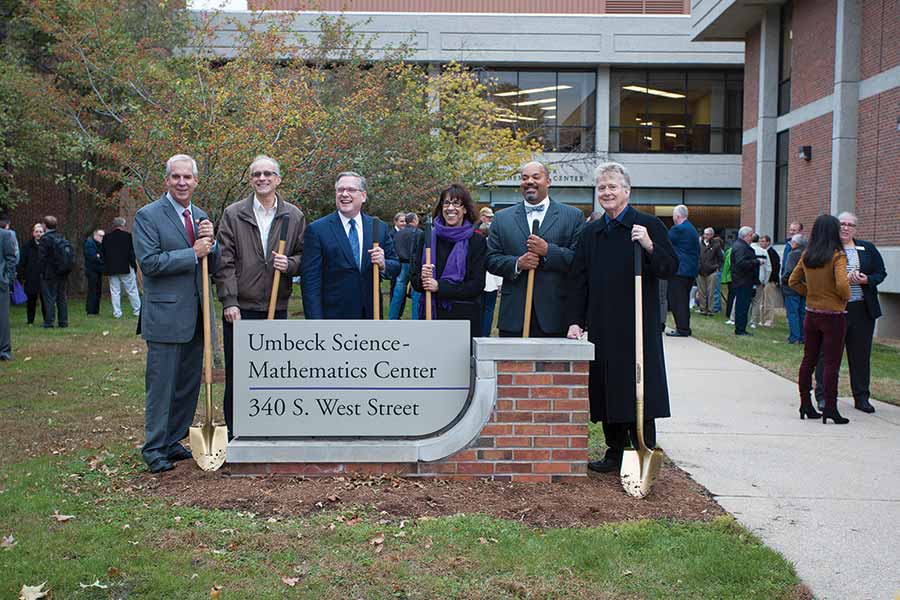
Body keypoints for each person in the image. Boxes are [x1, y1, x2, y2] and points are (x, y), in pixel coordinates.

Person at [566, 161, 677, 473]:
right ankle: (615, 450)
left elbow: (671, 268)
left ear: (627, 191)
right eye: (601, 187)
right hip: (602, 322)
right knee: (606, 384)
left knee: (640, 382)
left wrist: (649, 245)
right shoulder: (592, 233)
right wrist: (576, 320)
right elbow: (579, 280)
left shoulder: (648, 225)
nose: (607, 192)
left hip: (638, 323)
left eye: (612, 186)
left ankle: (644, 445)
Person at [133, 154, 220, 473]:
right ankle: (154, 447)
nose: (182, 182)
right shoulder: (148, 216)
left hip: (197, 316)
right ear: (166, 180)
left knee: (186, 384)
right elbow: (150, 263)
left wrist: (212, 242)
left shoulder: (200, 215)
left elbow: (212, 259)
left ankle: (173, 440)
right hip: (166, 317)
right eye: (176, 177)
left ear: (196, 181)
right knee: (162, 385)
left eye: (188, 177)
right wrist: (193, 252)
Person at [215, 155, 305, 440]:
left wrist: (289, 265)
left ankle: (269, 430)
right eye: (257, 174)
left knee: (273, 373)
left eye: (268, 174)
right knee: (238, 373)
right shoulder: (233, 214)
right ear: (251, 179)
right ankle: (236, 432)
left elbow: (304, 256)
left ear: (278, 179)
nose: (262, 178)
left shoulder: (294, 216)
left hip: (275, 307)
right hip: (240, 308)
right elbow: (224, 261)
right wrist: (229, 301)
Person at [485, 161, 584, 337]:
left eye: (536, 177)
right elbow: (491, 259)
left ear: (548, 181)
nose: (529, 181)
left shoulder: (572, 216)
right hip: (514, 316)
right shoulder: (502, 218)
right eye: (524, 178)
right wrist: (517, 263)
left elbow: (579, 260)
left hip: (555, 316)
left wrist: (548, 251)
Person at [813, 212, 887, 414]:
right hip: (834, 310)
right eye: (842, 224)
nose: (845, 228)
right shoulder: (827, 249)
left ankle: (861, 397)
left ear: (855, 228)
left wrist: (866, 280)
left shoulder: (867, 248)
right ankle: (823, 397)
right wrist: (842, 279)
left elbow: (880, 273)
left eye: (850, 225)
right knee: (828, 356)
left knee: (860, 356)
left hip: (861, 309)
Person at [301, 171, 399, 319]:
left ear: (363, 196)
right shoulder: (317, 230)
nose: (344, 194)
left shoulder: (378, 227)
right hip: (333, 317)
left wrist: (383, 263)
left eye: (351, 190)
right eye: (340, 190)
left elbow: (396, 266)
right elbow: (310, 282)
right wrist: (315, 322)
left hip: (370, 315)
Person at [789, 214, 851, 424]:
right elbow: (843, 285)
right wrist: (845, 297)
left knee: (809, 360)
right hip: (833, 315)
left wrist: (809, 293)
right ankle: (830, 408)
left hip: (812, 313)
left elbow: (793, 280)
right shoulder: (837, 255)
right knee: (831, 364)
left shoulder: (807, 254)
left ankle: (805, 403)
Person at [409, 184, 485, 338]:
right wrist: (422, 279)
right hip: (430, 318)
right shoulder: (427, 237)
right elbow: (415, 281)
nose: (450, 208)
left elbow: (476, 285)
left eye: (456, 203)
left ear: (465, 209)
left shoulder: (476, 241)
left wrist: (440, 286)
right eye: (446, 203)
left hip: (463, 321)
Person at [666, 205, 699, 337]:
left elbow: (665, 240)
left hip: (680, 270)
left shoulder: (678, 229)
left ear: (677, 216)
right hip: (689, 270)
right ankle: (684, 327)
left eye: (673, 216)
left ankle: (682, 329)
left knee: (677, 301)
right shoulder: (691, 228)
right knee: (683, 300)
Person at [103, 217, 142, 318]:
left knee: (115, 291)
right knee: (132, 290)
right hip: (126, 267)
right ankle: (137, 310)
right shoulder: (128, 236)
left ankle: (117, 312)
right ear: (123, 225)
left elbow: (104, 254)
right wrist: (133, 265)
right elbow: (131, 253)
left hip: (112, 268)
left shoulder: (106, 237)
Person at [38, 215, 71, 328]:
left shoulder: (45, 239)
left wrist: (41, 271)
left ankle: (49, 321)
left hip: (49, 273)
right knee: (62, 298)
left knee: (49, 298)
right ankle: (63, 321)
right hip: (62, 272)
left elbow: (42, 258)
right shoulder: (61, 237)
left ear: (45, 225)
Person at [388, 212, 422, 320]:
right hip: (414, 265)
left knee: (398, 292)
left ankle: (392, 317)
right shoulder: (419, 233)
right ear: (414, 220)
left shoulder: (398, 234)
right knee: (416, 291)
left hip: (401, 264)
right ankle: (416, 318)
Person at [731, 226, 761, 336]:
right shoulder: (741, 247)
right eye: (750, 235)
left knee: (743, 305)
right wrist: (755, 262)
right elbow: (740, 263)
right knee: (742, 306)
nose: (752, 237)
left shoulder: (740, 246)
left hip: (743, 280)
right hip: (743, 280)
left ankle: (741, 328)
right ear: (744, 236)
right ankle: (740, 329)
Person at [17, 223, 47, 325]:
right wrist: (22, 276)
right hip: (31, 277)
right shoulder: (27, 246)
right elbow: (22, 262)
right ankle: (30, 321)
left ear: (44, 233)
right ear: (33, 233)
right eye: (36, 232)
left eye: (41, 232)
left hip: (45, 277)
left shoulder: (48, 245)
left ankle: (47, 320)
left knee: (45, 301)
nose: (39, 234)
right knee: (31, 301)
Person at [781, 234, 807, 344]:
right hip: (804, 286)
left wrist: (783, 280)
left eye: (792, 241)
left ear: (795, 243)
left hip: (792, 287)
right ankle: (802, 337)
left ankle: (794, 337)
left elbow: (789, 271)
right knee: (802, 313)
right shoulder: (807, 254)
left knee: (793, 313)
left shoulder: (793, 254)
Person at [0, 214, 17, 361]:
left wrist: (7, 279)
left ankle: (4, 350)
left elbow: (11, 258)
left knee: (2, 317)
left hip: (1, 281)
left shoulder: (5, 235)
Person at [696, 227, 723, 315]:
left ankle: (711, 310)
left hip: (711, 271)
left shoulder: (716, 245)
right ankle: (702, 309)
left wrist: (716, 267)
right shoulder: (699, 244)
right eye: (704, 234)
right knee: (701, 291)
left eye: (707, 234)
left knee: (711, 292)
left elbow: (721, 258)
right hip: (700, 271)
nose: (705, 236)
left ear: (712, 235)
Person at [757, 234, 780, 327]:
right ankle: (761, 319)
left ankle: (769, 320)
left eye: (763, 241)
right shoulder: (762, 252)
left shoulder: (772, 252)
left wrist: (770, 279)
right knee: (761, 301)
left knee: (769, 301)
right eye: (760, 241)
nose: (761, 243)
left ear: (768, 242)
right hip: (762, 280)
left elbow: (775, 267)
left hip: (770, 280)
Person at [749, 234, 770, 328]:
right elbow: (768, 268)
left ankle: (735, 318)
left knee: (742, 299)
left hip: (747, 279)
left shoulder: (746, 249)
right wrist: (766, 280)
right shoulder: (763, 251)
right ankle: (753, 321)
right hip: (759, 279)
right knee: (756, 301)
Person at [83, 229, 105, 315]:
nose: (102, 238)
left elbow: (101, 256)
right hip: (92, 271)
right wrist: (99, 257)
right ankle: (90, 310)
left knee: (98, 290)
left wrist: (99, 256)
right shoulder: (89, 243)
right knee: (92, 290)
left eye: (103, 236)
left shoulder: (99, 244)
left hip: (98, 271)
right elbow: (93, 257)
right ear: (95, 235)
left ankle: (96, 310)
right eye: (100, 236)